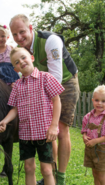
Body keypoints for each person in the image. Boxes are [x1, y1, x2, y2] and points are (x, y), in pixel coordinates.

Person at [9, 14, 80, 185]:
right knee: (46, 130)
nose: (19, 38)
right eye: (15, 35)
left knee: (60, 129)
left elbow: (55, 77)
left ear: (31, 28)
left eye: (22, 32)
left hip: (66, 81)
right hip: (41, 85)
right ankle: (51, 173)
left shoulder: (51, 41)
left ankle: (60, 177)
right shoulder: (23, 50)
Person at [0, 47, 65, 185]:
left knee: (47, 169)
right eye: (16, 62)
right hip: (25, 135)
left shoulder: (46, 78)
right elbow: (15, 109)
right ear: (16, 69)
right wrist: (4, 121)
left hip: (45, 133)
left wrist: (54, 126)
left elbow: (57, 101)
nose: (21, 62)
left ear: (31, 58)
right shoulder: (17, 86)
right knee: (28, 168)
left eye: (23, 57)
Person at [81, 85, 105, 185]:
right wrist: (84, 136)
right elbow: (84, 129)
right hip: (90, 149)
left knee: (101, 175)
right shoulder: (88, 116)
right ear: (92, 100)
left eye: (103, 101)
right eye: (97, 100)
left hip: (102, 150)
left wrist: (95, 141)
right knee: (95, 173)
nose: (99, 103)